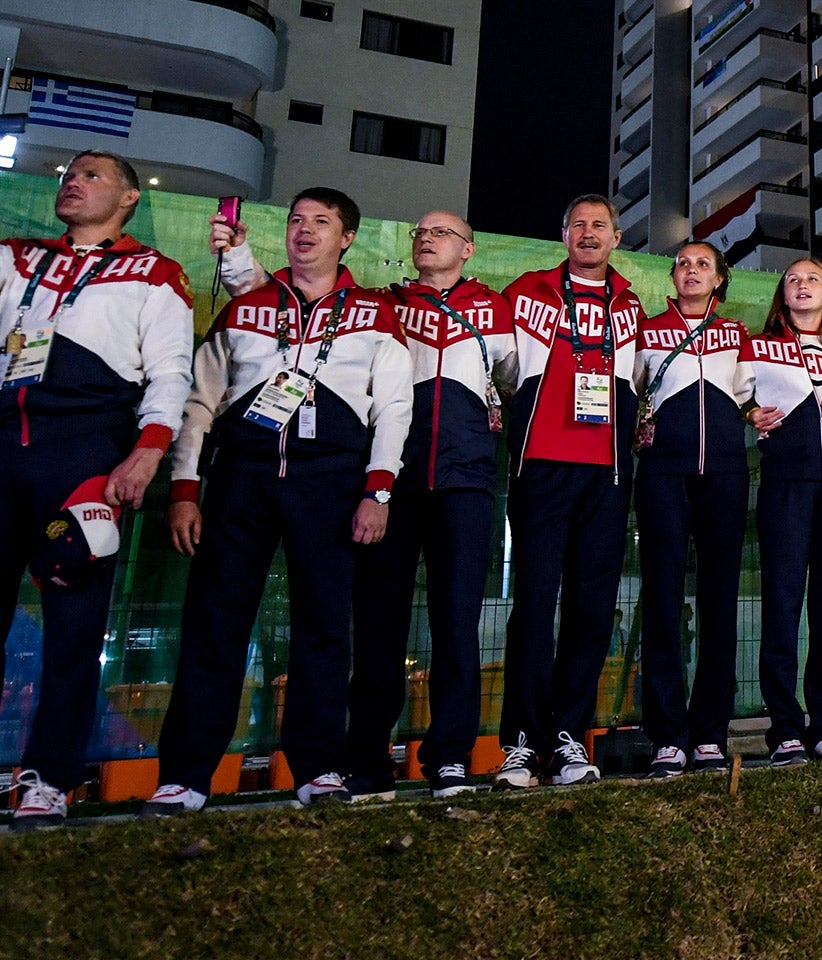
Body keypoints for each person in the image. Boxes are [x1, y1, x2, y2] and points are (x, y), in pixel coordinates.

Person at [146, 188, 411, 814]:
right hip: (241, 479)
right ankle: (185, 775)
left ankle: (318, 768)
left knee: (323, 628)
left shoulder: (375, 312)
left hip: (333, 483)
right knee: (215, 622)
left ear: (346, 238)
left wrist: (378, 490)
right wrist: (186, 488)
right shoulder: (247, 306)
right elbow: (198, 403)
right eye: (296, 220)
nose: (305, 230)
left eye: (322, 222)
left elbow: (394, 411)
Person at [2, 151, 192, 826]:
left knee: (73, 629)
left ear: (130, 198)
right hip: (3, 444)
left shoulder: (155, 274)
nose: (73, 182)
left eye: (92, 175)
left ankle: (49, 778)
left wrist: (147, 454)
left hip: (85, 458)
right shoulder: (17, 258)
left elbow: (172, 373)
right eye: (67, 175)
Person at [346, 213, 512, 799]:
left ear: (468, 248)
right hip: (394, 478)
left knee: (457, 624)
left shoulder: (498, 309)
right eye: (419, 231)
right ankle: (366, 761)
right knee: (378, 623)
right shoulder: (383, 304)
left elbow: (514, 377)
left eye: (440, 232)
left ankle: (449, 758)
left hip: (466, 482)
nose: (425, 238)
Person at [496, 195, 645, 788]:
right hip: (541, 467)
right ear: (563, 234)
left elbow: (637, 379)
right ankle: (522, 743)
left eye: (599, 226)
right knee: (533, 606)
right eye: (578, 225)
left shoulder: (630, 303)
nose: (588, 234)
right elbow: (504, 366)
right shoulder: (527, 291)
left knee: (591, 609)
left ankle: (569, 738)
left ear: (616, 237)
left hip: (607, 475)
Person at [635, 241, 753, 775]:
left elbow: (754, 394)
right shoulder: (646, 330)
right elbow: (628, 389)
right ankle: (666, 734)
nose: (691, 270)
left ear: (719, 280)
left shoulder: (738, 335)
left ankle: (709, 729)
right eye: (682, 263)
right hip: (662, 474)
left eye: (703, 264)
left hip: (725, 476)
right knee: (661, 597)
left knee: (719, 601)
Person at [747, 258, 822, 766]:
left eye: (812, 278)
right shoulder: (759, 344)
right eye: (791, 278)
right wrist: (747, 412)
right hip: (785, 487)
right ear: (782, 293)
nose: (801, 285)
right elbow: (727, 394)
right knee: (782, 608)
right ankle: (786, 728)